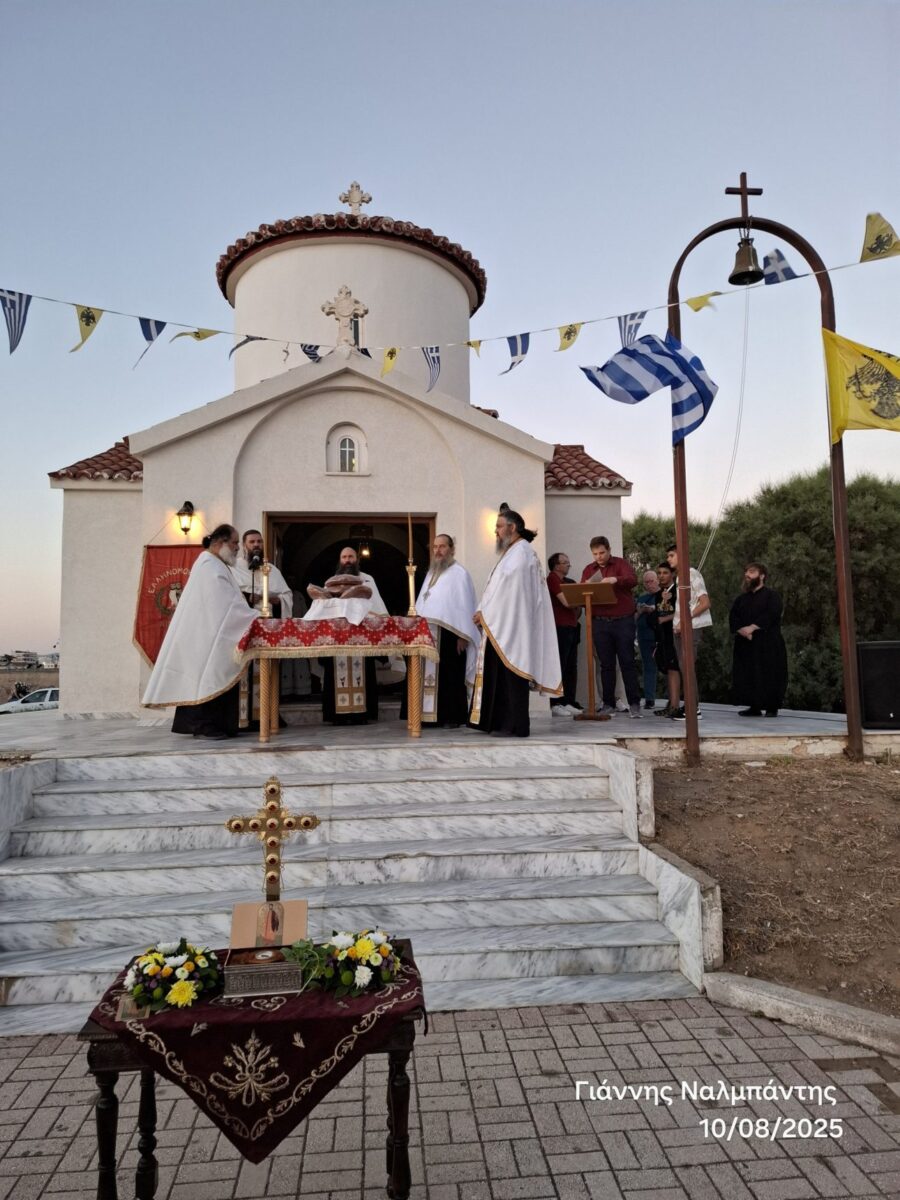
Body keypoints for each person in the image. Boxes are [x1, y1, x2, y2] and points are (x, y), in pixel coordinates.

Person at [142, 524, 255, 739]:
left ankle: (219, 725)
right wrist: (253, 615)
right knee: (206, 677)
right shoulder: (209, 566)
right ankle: (203, 726)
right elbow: (224, 603)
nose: (237, 548)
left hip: (211, 633)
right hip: (204, 636)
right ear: (221, 542)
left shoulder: (216, 564)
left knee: (210, 677)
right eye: (234, 543)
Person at [469, 506, 561, 737]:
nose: (496, 531)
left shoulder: (521, 554)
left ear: (512, 527)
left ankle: (514, 725)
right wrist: (482, 610)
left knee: (511, 676)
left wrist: (485, 613)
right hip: (502, 624)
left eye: (499, 526)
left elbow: (512, 593)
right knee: (499, 675)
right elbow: (497, 589)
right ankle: (498, 722)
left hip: (513, 626)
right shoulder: (513, 552)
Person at [405, 533, 479, 728]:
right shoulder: (431, 573)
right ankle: (427, 717)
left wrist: (463, 635)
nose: (438, 551)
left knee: (450, 676)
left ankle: (452, 717)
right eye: (435, 547)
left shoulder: (459, 574)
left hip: (451, 635)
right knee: (426, 676)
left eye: (442, 546)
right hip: (428, 634)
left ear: (452, 549)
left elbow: (465, 606)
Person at [317, 546, 388, 725]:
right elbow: (323, 609)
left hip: (361, 636)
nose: (347, 560)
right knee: (335, 674)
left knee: (364, 674)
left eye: (351, 557)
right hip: (337, 638)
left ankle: (362, 714)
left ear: (357, 559)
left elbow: (377, 607)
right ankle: (337, 716)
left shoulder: (367, 580)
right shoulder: (331, 582)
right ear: (339, 560)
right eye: (344, 557)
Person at [579, 536, 642, 718]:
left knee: (627, 662)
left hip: (623, 621)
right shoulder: (589, 569)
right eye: (595, 554)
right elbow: (581, 592)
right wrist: (586, 587)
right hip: (599, 622)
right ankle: (608, 704)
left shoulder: (620, 564)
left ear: (609, 550)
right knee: (606, 665)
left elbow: (633, 580)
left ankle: (634, 704)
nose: (599, 557)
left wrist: (615, 579)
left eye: (602, 553)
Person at [729, 562, 788, 717]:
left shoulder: (772, 596)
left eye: (752, 572)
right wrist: (743, 631)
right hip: (746, 644)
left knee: (770, 673)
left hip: (768, 643)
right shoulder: (741, 599)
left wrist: (753, 627)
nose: (747, 575)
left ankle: (771, 707)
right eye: (746, 572)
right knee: (748, 674)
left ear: (762, 576)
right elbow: (733, 617)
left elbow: (772, 614)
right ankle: (754, 706)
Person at [666, 544, 712, 721]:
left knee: (687, 667)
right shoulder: (680, 577)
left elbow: (705, 602)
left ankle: (693, 708)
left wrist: (684, 621)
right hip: (681, 628)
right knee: (684, 667)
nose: (669, 559)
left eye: (671, 555)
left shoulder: (692, 573)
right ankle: (690, 705)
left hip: (691, 628)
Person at [547, 552, 581, 717]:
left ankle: (567, 700)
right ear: (556, 565)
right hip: (560, 627)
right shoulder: (553, 579)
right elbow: (567, 602)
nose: (568, 565)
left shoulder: (566, 582)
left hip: (571, 626)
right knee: (560, 665)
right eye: (565, 562)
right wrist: (581, 597)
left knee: (570, 666)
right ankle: (556, 702)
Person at [231, 529, 293, 617]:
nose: (256, 544)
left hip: (270, 620)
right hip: (244, 619)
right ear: (244, 545)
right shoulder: (234, 567)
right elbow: (229, 594)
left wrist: (276, 599)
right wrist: (248, 597)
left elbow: (287, 596)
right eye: (252, 542)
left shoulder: (273, 570)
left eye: (259, 541)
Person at [649, 562, 681, 718]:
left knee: (674, 669)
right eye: (659, 573)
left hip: (675, 635)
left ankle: (675, 706)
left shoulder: (677, 592)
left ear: (672, 574)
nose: (661, 576)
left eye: (665, 573)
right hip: (662, 637)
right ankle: (671, 704)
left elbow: (682, 612)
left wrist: (665, 618)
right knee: (668, 669)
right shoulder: (658, 594)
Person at [635, 569, 660, 710]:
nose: (650, 584)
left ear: (657, 581)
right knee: (648, 667)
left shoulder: (664, 595)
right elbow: (634, 617)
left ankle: (673, 698)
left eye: (652, 581)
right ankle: (649, 698)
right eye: (647, 582)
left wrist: (653, 609)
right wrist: (641, 610)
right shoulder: (642, 598)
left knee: (667, 667)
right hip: (644, 636)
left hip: (659, 635)